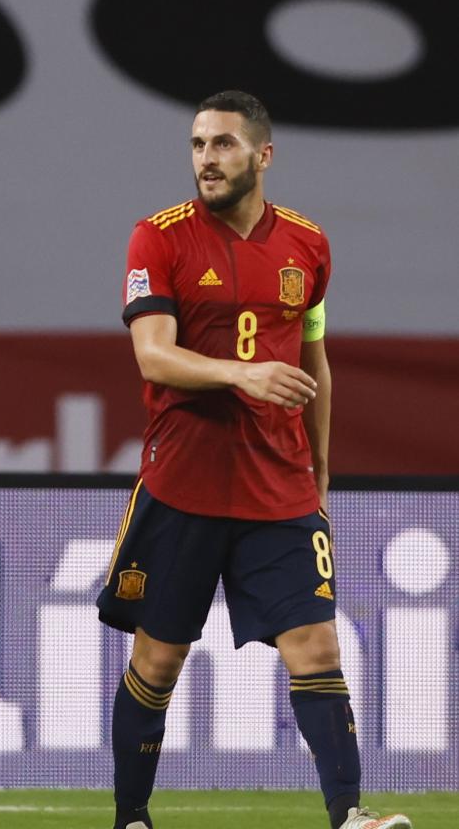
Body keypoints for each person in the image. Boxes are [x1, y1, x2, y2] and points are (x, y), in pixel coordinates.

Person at [102, 90, 410, 829]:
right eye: (199, 144)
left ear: (263, 156)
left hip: (280, 488)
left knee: (314, 643)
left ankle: (350, 816)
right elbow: (152, 355)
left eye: (224, 145)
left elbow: (314, 361)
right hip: (184, 482)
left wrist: (321, 468)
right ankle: (132, 817)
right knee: (158, 662)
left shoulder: (308, 246)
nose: (207, 159)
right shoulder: (159, 238)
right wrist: (241, 374)